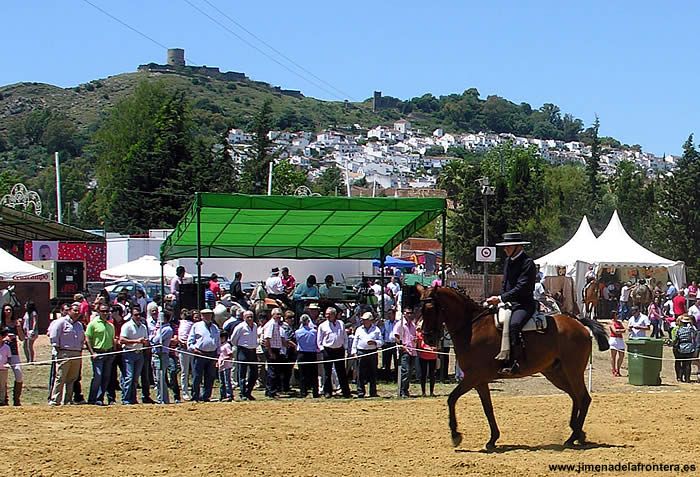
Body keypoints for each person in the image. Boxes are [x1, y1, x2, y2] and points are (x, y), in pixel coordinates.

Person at [486, 232, 537, 376]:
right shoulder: (509, 261)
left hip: (524, 304)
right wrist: (500, 298)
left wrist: (501, 298)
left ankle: (516, 361)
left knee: (514, 324)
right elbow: (505, 283)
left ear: (518, 246)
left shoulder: (528, 263)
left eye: (508, 246)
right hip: (508, 302)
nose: (505, 249)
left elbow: (522, 287)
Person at [49, 302, 84, 406]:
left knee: (72, 378)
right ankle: (55, 400)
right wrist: (58, 351)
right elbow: (54, 336)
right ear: (69, 311)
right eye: (75, 310)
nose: (77, 313)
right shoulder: (61, 322)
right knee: (60, 377)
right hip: (64, 352)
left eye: (78, 311)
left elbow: (82, 338)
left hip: (77, 353)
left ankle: (67, 400)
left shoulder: (79, 325)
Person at [316, 307, 351, 398]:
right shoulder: (322, 326)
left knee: (341, 372)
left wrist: (345, 348)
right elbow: (319, 340)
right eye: (326, 314)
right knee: (327, 372)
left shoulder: (341, 323)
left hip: (339, 350)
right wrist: (322, 349)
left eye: (329, 314)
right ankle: (327, 392)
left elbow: (344, 336)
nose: (327, 316)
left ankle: (346, 392)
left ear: (334, 314)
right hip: (328, 350)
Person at [84, 303, 115, 405]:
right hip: (98, 353)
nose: (105, 313)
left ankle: (99, 399)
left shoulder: (110, 325)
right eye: (103, 311)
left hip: (108, 353)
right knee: (98, 376)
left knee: (106, 377)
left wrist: (113, 352)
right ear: (98, 312)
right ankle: (92, 399)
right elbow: (87, 338)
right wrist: (92, 353)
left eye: (107, 311)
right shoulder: (93, 324)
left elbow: (112, 339)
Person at [188, 308, 221, 402]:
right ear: (202, 316)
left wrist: (218, 354)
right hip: (199, 353)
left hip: (212, 354)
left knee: (210, 376)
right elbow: (190, 341)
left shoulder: (215, 327)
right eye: (205, 315)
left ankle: (206, 396)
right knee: (197, 376)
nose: (208, 316)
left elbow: (218, 342)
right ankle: (195, 396)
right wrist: (194, 349)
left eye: (209, 314)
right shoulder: (196, 326)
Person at [119, 306, 149, 405]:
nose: (138, 316)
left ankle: (133, 398)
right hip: (129, 353)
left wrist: (145, 342)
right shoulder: (127, 326)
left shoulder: (143, 326)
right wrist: (136, 341)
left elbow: (145, 339)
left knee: (136, 378)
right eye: (136, 315)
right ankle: (126, 399)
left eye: (139, 314)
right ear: (132, 315)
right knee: (129, 377)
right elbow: (122, 340)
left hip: (139, 353)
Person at [351, 311, 383, 398]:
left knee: (373, 373)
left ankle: (373, 392)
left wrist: (375, 342)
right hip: (361, 352)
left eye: (366, 320)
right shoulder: (359, 329)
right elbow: (355, 342)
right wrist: (354, 353)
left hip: (372, 352)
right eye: (363, 320)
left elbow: (381, 342)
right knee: (360, 373)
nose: (364, 321)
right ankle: (360, 391)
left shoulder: (376, 330)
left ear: (370, 320)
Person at [230, 310, 258, 401]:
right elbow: (233, 339)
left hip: (253, 351)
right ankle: (242, 393)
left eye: (251, 317)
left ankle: (248, 391)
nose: (250, 319)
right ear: (243, 318)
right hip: (243, 350)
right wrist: (239, 347)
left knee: (254, 373)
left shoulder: (255, 326)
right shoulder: (240, 327)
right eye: (248, 317)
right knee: (242, 373)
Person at [1, 303, 24, 406]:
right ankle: (4, 399)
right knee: (2, 377)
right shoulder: (1, 324)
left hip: (14, 353)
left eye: (10, 310)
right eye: (6, 310)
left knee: (19, 375)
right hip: (2, 352)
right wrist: (5, 339)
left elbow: (22, 338)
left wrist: (19, 328)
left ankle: (16, 399)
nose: (8, 312)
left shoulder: (15, 323)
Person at [394, 297, 417, 398]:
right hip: (405, 351)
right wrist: (401, 345)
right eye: (407, 313)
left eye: (411, 313)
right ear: (404, 314)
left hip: (413, 350)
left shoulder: (413, 325)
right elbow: (395, 335)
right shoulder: (400, 324)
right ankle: (402, 390)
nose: (409, 314)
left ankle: (406, 390)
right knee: (405, 370)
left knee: (410, 372)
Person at [151, 310, 175, 404]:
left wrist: (153, 336)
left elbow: (156, 340)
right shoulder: (159, 329)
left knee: (160, 378)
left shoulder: (167, 329)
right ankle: (160, 397)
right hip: (156, 354)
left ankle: (163, 399)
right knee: (157, 379)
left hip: (162, 355)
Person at [262, 308, 285, 398]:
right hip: (271, 349)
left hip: (275, 348)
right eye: (278, 314)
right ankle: (271, 391)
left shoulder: (276, 324)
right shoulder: (271, 324)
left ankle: (270, 390)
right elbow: (267, 339)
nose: (279, 316)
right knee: (272, 371)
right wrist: (270, 352)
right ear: (273, 315)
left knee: (274, 370)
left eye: (280, 314)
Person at [295, 314, 319, 398]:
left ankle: (303, 392)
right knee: (314, 374)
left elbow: (297, 341)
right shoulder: (314, 331)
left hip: (302, 353)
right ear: (308, 322)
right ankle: (315, 392)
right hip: (312, 353)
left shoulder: (297, 332)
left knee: (302, 374)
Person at [674, 315, 697, 382]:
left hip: (681, 346)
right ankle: (687, 378)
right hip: (689, 347)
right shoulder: (691, 329)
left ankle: (680, 377)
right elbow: (695, 334)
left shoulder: (679, 329)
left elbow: (676, 338)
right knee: (687, 364)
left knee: (680, 362)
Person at [416, 326, 438, 396]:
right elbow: (420, 346)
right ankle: (423, 392)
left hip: (433, 356)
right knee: (423, 374)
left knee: (432, 375)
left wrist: (435, 348)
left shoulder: (434, 335)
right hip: (423, 357)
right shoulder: (420, 335)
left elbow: (437, 345)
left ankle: (431, 392)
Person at [381, 307, 398, 382]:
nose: (389, 316)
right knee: (386, 362)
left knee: (396, 362)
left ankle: (396, 378)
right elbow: (382, 332)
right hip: (387, 344)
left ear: (394, 314)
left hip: (395, 344)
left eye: (390, 314)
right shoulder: (385, 323)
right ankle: (387, 378)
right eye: (388, 314)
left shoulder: (397, 323)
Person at [217, 330, 234, 402]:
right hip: (221, 366)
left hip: (226, 366)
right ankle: (222, 395)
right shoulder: (220, 345)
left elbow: (230, 355)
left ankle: (229, 395)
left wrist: (224, 359)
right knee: (222, 381)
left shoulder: (227, 345)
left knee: (227, 381)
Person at [608, 311, 625, 377]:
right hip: (614, 339)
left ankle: (618, 369)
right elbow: (615, 331)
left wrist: (619, 331)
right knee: (613, 356)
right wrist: (620, 331)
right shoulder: (611, 323)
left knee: (621, 355)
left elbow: (624, 330)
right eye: (616, 315)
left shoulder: (619, 322)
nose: (617, 316)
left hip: (620, 339)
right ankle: (614, 369)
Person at [0, 328, 12, 405]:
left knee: (2, 386)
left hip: (3, 369)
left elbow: (9, 358)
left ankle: (1, 401)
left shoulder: (6, 347)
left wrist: (8, 363)